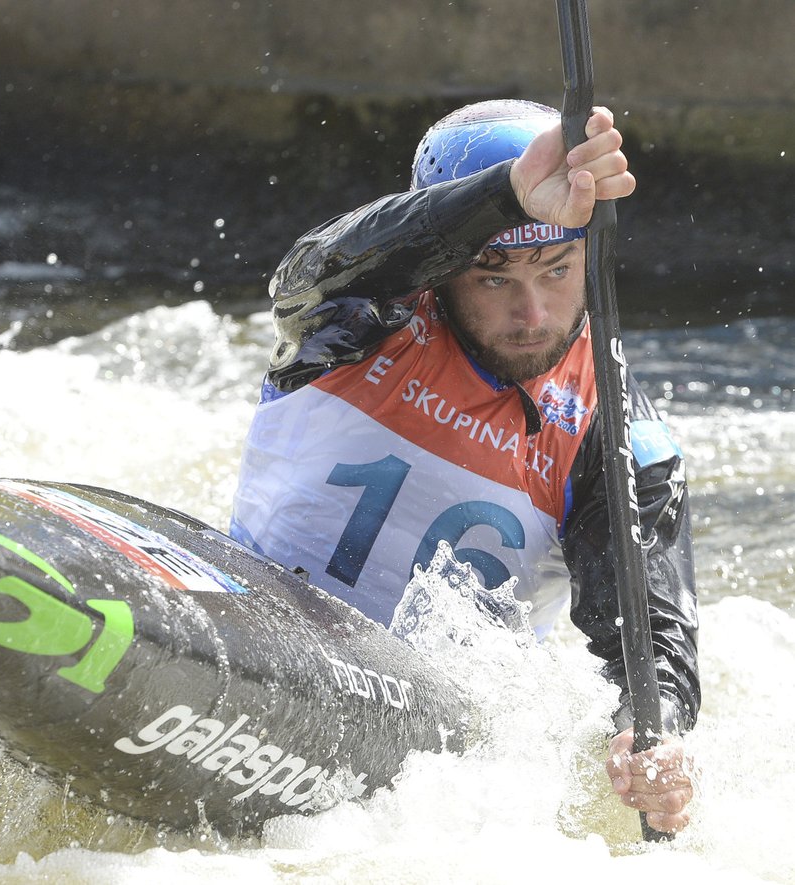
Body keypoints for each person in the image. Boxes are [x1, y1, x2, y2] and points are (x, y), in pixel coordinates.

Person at [229, 99, 699, 834]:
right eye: (493, 277)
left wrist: (655, 736)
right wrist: (509, 194)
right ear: (445, 265)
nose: (534, 312)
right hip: (258, 644)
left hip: (426, 758)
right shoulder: (356, 314)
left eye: (557, 268)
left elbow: (653, 636)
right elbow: (319, 261)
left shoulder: (617, 437)